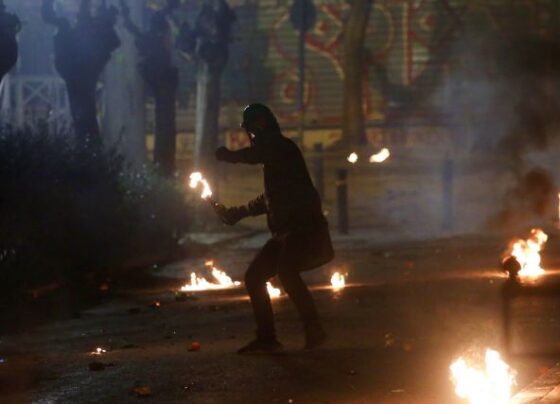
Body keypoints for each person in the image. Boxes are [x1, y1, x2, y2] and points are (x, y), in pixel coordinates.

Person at [214, 103, 334, 354]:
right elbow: (269, 199)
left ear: (262, 125)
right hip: (285, 233)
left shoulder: (282, 148)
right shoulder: (275, 159)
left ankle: (314, 329)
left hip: (303, 229)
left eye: (253, 129)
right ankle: (267, 338)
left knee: (287, 272)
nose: (252, 134)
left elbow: (256, 155)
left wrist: (229, 156)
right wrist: (238, 212)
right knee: (254, 277)